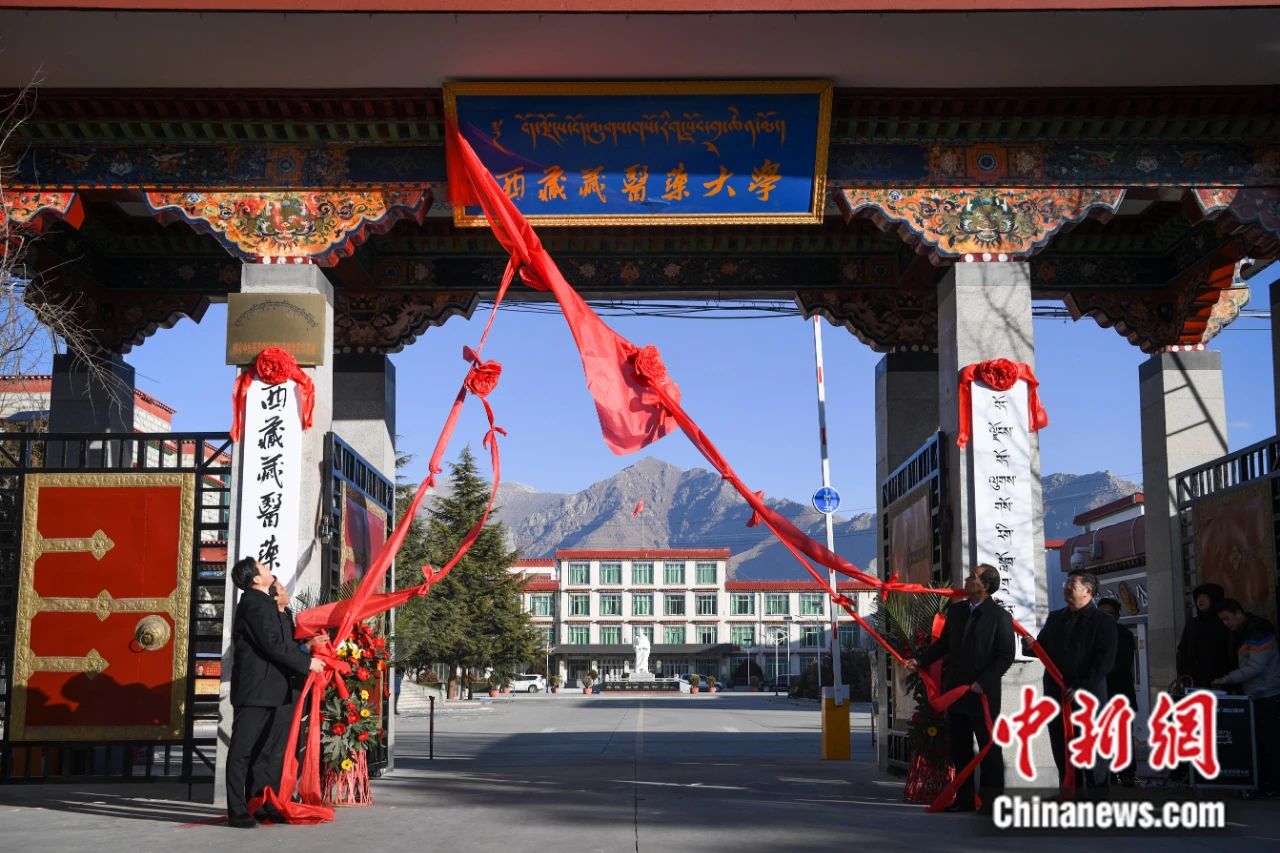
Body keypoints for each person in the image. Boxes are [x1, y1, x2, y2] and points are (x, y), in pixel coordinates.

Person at [907, 564, 1015, 814]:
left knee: (988, 749)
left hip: (983, 694)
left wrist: (984, 682)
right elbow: (943, 644)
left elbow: (1005, 655)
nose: (967, 579)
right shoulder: (957, 612)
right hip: (956, 692)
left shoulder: (999, 616)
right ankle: (964, 799)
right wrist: (921, 661)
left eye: (973, 577)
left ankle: (992, 802)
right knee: (960, 749)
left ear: (985, 585)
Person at [225, 558, 324, 828]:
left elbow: (283, 644)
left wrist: (306, 648)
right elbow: (272, 645)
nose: (269, 570)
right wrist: (307, 663)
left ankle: (263, 803)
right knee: (242, 751)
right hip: (254, 691)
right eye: (263, 568)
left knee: (265, 752)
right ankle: (237, 810)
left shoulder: (267, 605)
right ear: (256, 578)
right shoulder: (252, 604)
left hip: (272, 690)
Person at [1034, 569, 1117, 790]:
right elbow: (1041, 648)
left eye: (1073, 584)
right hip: (1057, 696)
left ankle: (1097, 802)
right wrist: (1029, 645)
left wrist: (1081, 687)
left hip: (1088, 698)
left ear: (1087, 591)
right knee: (1063, 752)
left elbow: (1104, 663)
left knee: (1092, 756)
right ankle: (1070, 797)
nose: (1066, 587)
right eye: (1067, 583)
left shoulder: (1102, 622)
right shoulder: (1055, 618)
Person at [1212, 599, 1280, 797]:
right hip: (1256, 693)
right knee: (1261, 742)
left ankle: (1273, 785)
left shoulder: (1258, 633)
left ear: (1238, 614)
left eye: (1227, 619)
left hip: (1268, 693)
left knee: (1270, 742)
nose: (1226, 624)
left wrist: (1227, 679)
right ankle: (1265, 783)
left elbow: (1255, 667)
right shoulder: (1242, 633)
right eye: (1222, 620)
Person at [1097, 597, 1137, 787]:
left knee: (1123, 736)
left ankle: (1127, 774)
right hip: (1097, 696)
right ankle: (1108, 775)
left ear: (1117, 616)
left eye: (1109, 614)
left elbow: (1122, 664)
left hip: (1120, 694)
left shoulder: (1125, 635)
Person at [1176, 582, 1233, 689]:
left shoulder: (1224, 623)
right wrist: (1184, 675)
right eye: (1198, 597)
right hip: (1194, 683)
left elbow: (1231, 653)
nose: (1200, 600)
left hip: (1220, 683)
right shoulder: (1192, 624)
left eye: (1205, 597)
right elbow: (1182, 651)